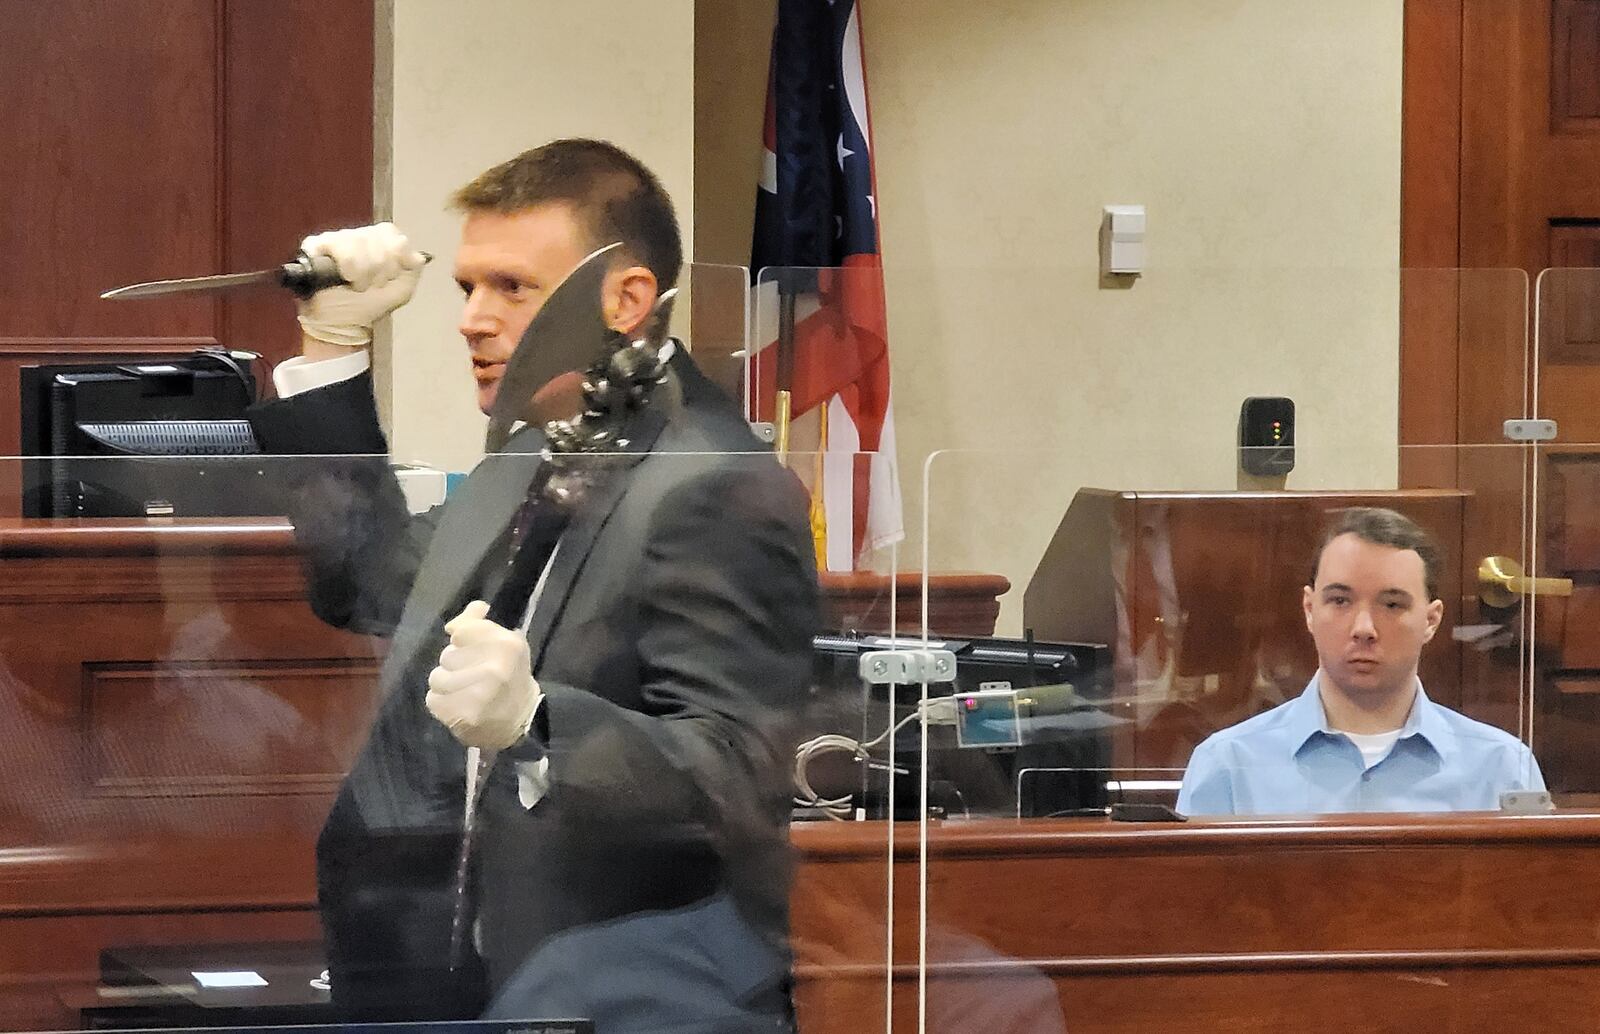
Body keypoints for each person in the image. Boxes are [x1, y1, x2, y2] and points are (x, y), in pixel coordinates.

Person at [246, 139, 819, 1030]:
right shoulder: (532, 450)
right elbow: (364, 582)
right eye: (467, 286)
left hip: (627, 993)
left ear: (627, 300)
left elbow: (738, 772)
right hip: (446, 974)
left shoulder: (716, 482)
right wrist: (332, 346)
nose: (473, 318)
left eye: (511, 288)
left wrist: (540, 722)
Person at [1177, 506, 1543, 816]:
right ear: (1309, 609)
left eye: (1392, 605)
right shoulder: (1227, 766)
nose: (1364, 629)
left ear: (1431, 621)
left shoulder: (1502, 768)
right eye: (1340, 601)